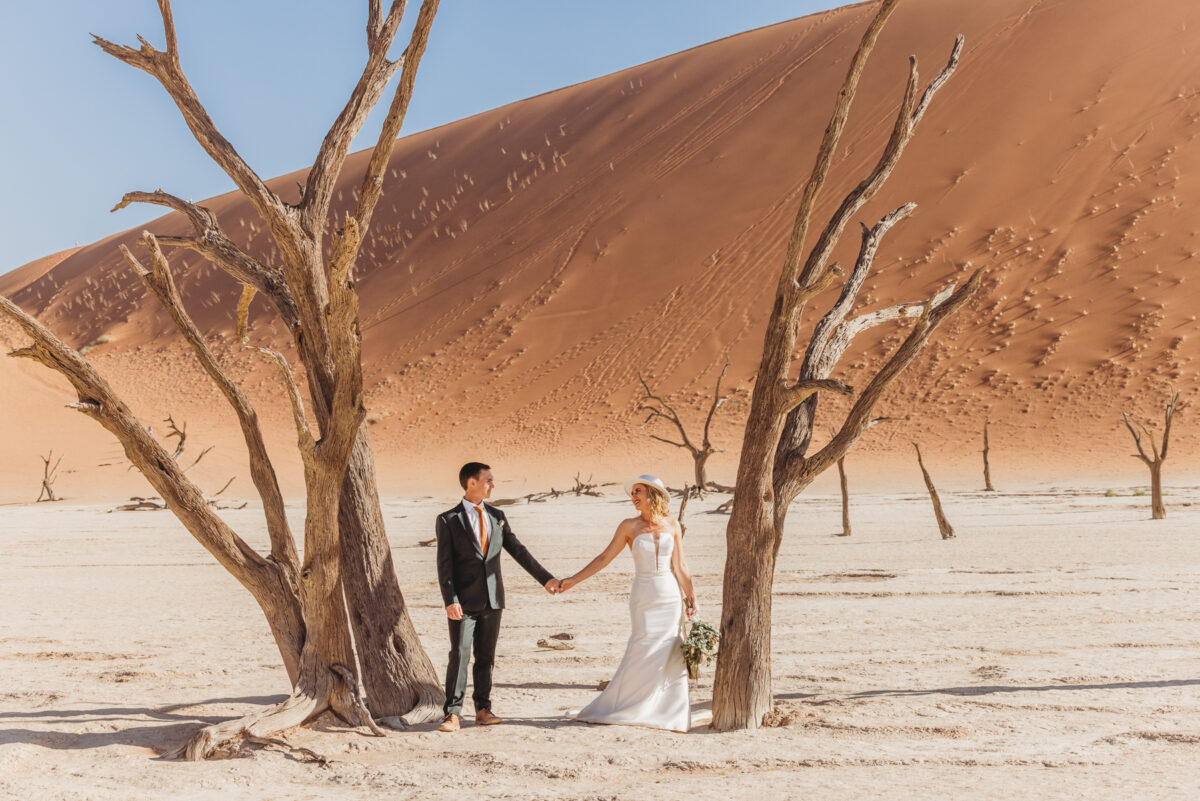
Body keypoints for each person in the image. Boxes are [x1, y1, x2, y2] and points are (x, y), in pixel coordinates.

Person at [559, 474, 698, 732]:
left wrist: (691, 596)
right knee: (642, 644)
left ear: (652, 494)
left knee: (670, 647)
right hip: (643, 594)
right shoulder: (628, 526)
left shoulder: (673, 525)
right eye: (632, 493)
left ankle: (666, 710)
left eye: (638, 491)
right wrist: (573, 580)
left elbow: (680, 565)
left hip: (669, 595)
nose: (633, 497)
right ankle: (631, 705)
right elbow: (604, 558)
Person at [435, 462, 560, 733]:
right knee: (459, 654)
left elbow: (519, 551)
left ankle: (483, 709)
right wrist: (450, 599)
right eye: (488, 480)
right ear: (472, 483)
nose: (493, 485)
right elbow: (444, 565)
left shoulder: (497, 516)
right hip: (462, 603)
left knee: (486, 657)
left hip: (493, 600)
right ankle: (452, 713)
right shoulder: (448, 520)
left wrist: (546, 579)